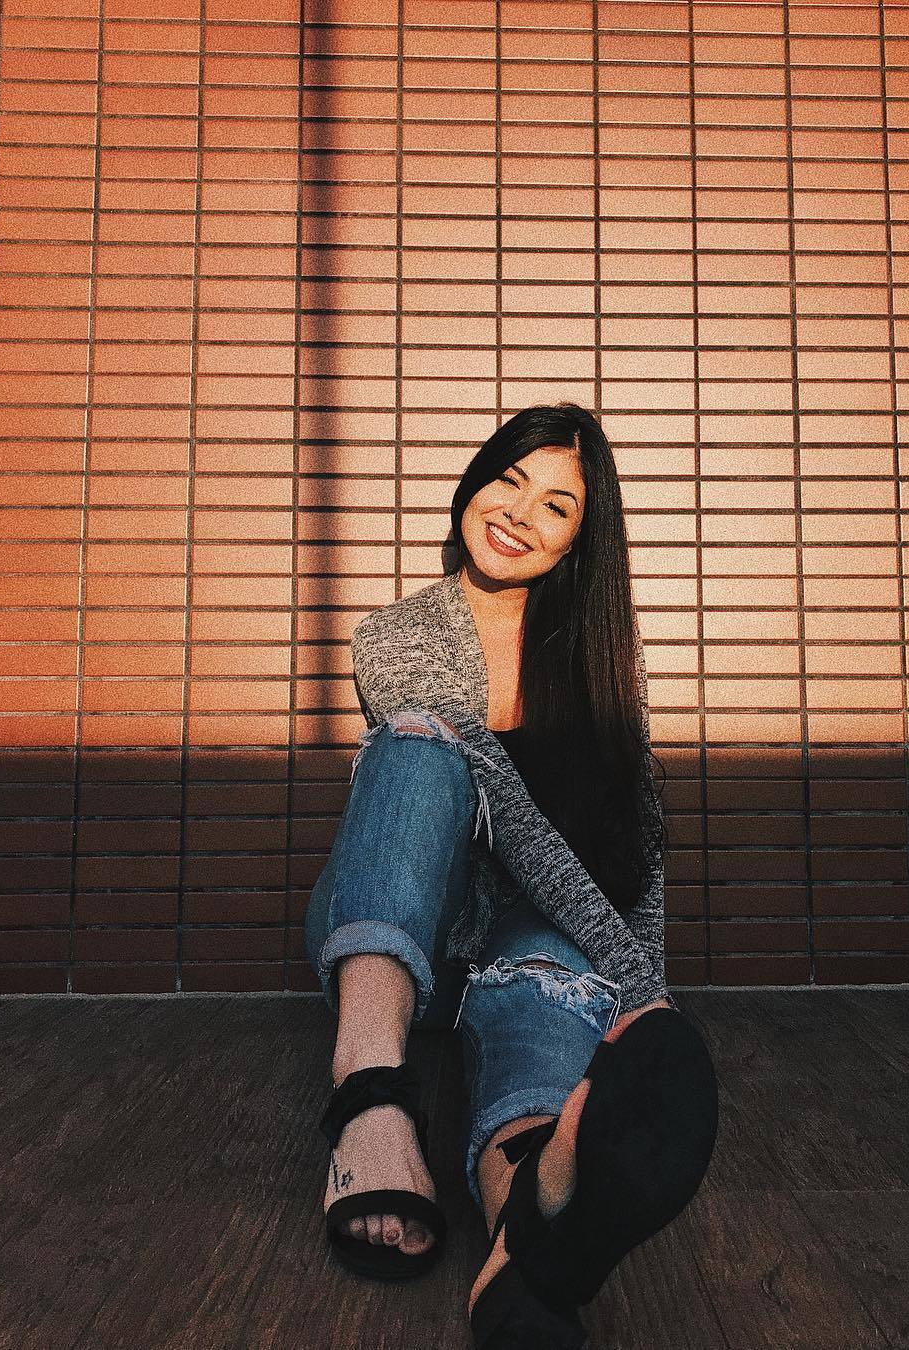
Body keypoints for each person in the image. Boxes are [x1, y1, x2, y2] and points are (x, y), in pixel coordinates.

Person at [304, 403, 718, 1347]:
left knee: (545, 973)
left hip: (521, 939)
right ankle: (369, 1094)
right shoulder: (398, 635)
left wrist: (643, 1013)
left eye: (558, 507)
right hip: (407, 930)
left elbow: (636, 836)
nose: (520, 514)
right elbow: (511, 820)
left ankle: (524, 1221)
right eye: (509, 480)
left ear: (579, 543)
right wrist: (642, 996)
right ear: (474, 481)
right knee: (418, 744)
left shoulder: (598, 655)